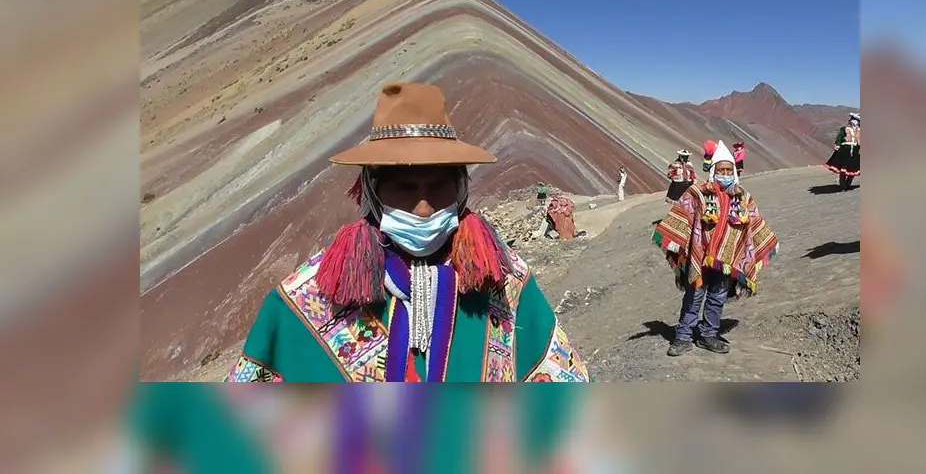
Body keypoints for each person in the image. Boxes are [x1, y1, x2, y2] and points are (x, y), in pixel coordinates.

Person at [224, 82, 592, 382]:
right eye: (403, 188)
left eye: (439, 186)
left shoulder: (505, 282)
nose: (424, 207)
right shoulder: (311, 295)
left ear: (461, 188)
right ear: (372, 191)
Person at [652, 141, 779, 356]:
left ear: (734, 172)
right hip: (700, 257)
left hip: (727, 259)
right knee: (695, 294)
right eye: (721, 170)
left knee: (718, 296)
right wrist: (672, 235)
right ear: (713, 171)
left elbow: (754, 222)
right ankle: (683, 336)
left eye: (729, 170)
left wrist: (767, 241)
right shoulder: (698, 193)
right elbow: (683, 213)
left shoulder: (743, 197)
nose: (725, 174)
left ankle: (708, 334)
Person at [823, 113, 860, 190]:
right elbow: (839, 137)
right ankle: (842, 184)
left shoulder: (859, 130)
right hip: (845, 151)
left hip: (855, 151)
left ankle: (848, 183)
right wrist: (838, 144)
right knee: (843, 168)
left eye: (857, 120)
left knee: (853, 169)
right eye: (854, 120)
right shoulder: (844, 129)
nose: (855, 122)